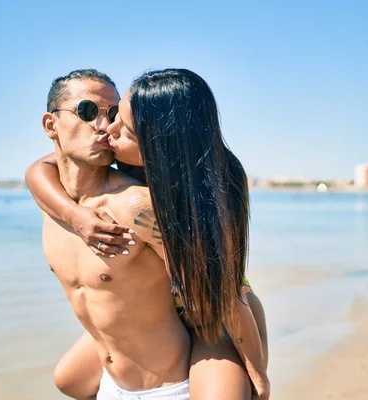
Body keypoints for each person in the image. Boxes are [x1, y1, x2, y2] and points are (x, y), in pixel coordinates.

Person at [28, 69, 269, 399]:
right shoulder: (51, 198)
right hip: (114, 382)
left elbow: (225, 294)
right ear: (50, 125)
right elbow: (37, 170)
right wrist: (75, 215)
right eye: (87, 112)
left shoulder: (136, 204)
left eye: (114, 116)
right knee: (66, 379)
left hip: (177, 377)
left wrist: (257, 372)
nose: (104, 126)